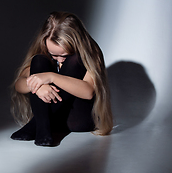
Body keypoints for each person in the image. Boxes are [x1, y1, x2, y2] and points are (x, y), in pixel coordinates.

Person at [10, 11, 113, 146]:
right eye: (54, 55)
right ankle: (42, 126)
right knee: (39, 60)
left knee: (76, 60)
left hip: (76, 119)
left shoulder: (89, 53)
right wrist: (38, 86)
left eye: (64, 56)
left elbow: (88, 92)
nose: (59, 60)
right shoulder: (44, 52)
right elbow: (19, 84)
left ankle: (36, 125)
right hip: (49, 120)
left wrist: (51, 77)